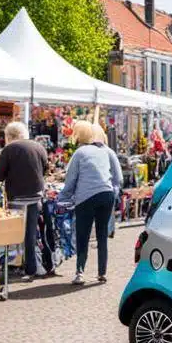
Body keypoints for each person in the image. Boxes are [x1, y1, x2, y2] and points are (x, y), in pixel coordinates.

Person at [59, 121, 123, 285]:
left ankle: (80, 272)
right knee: (102, 235)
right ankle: (102, 273)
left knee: (83, 235)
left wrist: (63, 198)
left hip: (86, 197)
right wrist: (112, 191)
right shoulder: (108, 152)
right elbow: (119, 178)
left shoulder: (80, 153)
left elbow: (71, 179)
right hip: (106, 195)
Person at [0, 121, 49, 281]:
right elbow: (45, 168)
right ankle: (31, 268)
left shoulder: (9, 150)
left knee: (14, 233)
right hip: (36, 195)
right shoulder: (39, 147)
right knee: (30, 234)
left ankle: (13, 265)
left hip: (17, 196)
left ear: (9, 136)